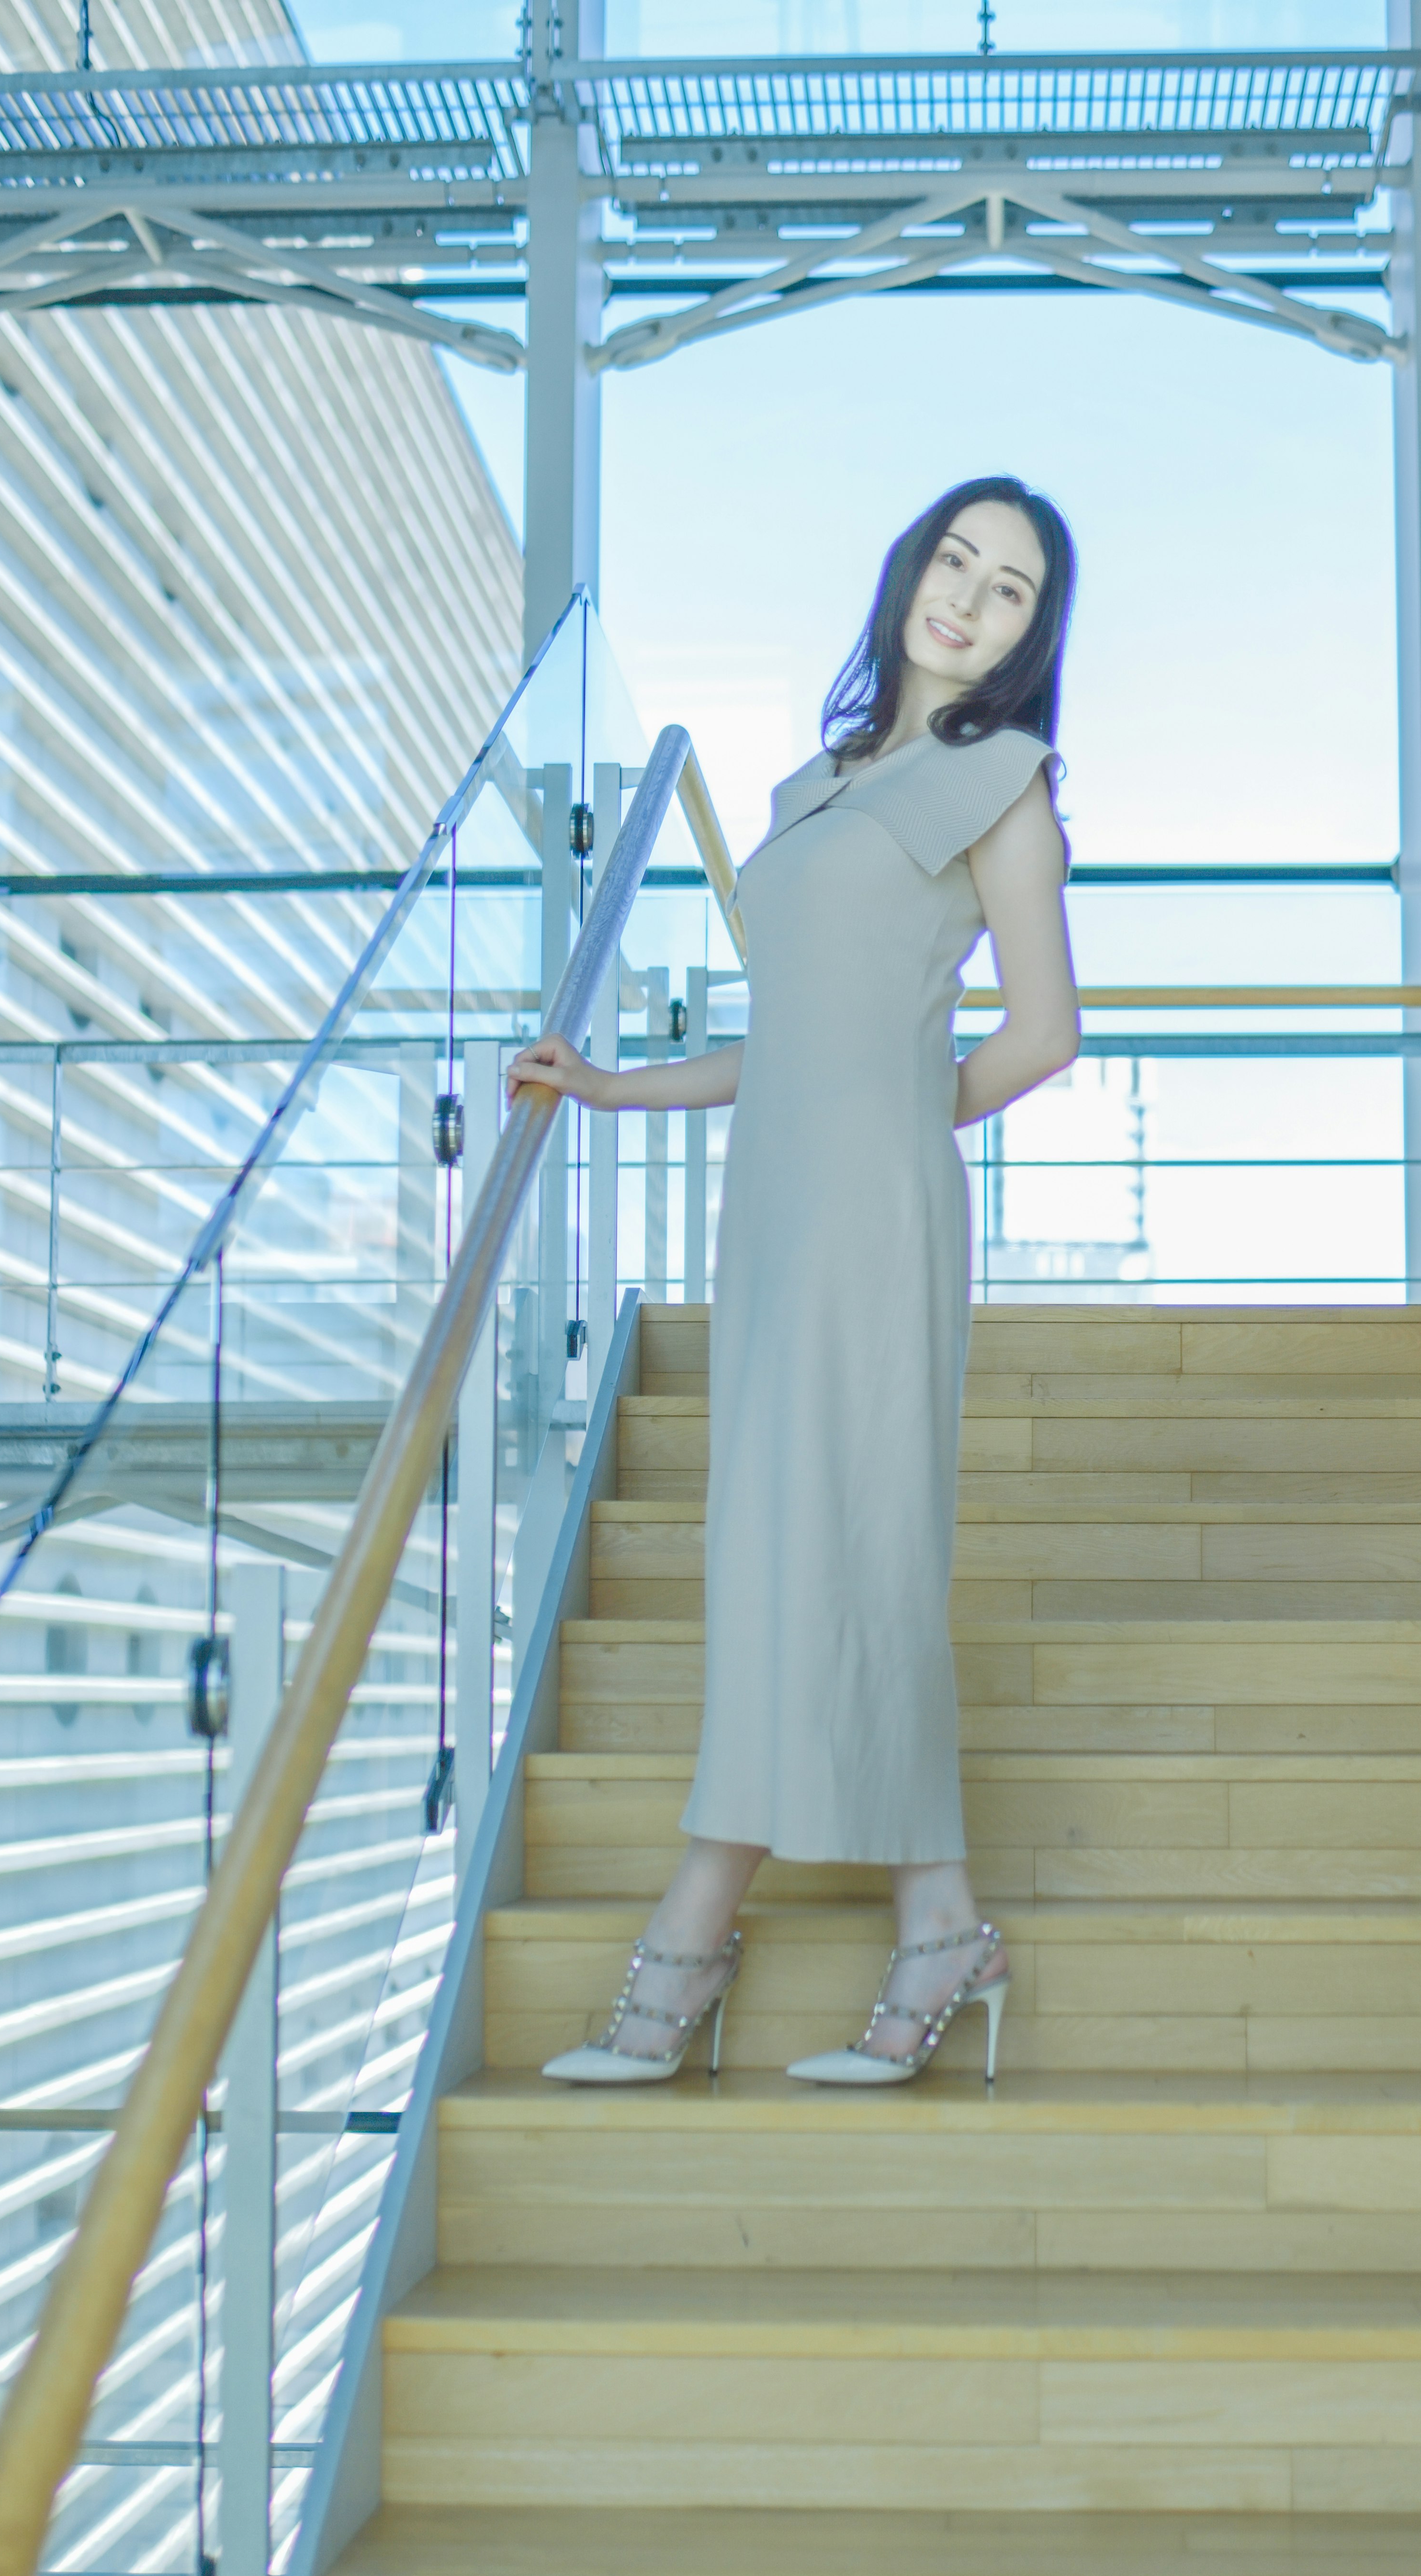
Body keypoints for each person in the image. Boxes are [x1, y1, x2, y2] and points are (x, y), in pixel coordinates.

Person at [506, 474, 1081, 2087]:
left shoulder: (1006, 787)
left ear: (1037, 634)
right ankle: (940, 1924)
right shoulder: (816, 786)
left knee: (852, 1550)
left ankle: (695, 1937)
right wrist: (617, 1086)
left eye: (1014, 589)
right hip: (769, 1211)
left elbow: (1044, 1034)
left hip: (873, 1217)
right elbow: (799, 1040)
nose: (968, 600)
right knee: (783, 1549)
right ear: (909, 570)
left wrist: (897, 1116)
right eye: (955, 561)